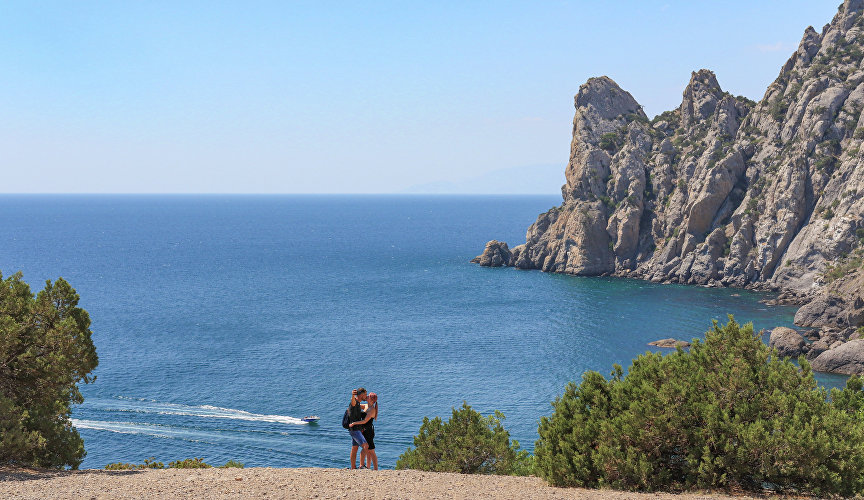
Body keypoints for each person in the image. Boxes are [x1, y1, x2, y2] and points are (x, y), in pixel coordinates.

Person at [350, 392, 378, 470]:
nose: (367, 396)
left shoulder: (372, 410)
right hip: (363, 431)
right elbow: (356, 405)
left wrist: (354, 423)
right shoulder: (366, 406)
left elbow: (365, 421)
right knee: (367, 450)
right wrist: (355, 397)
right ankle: (365, 466)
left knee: (371, 451)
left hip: (368, 431)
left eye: (368, 396)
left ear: (372, 400)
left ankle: (375, 469)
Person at [347, 387, 368, 469]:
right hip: (355, 429)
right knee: (365, 446)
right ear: (361, 395)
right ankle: (361, 465)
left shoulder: (358, 403)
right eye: (365, 395)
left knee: (354, 448)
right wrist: (352, 395)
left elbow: (366, 406)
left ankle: (353, 467)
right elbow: (352, 402)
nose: (366, 396)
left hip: (355, 429)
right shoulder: (355, 402)